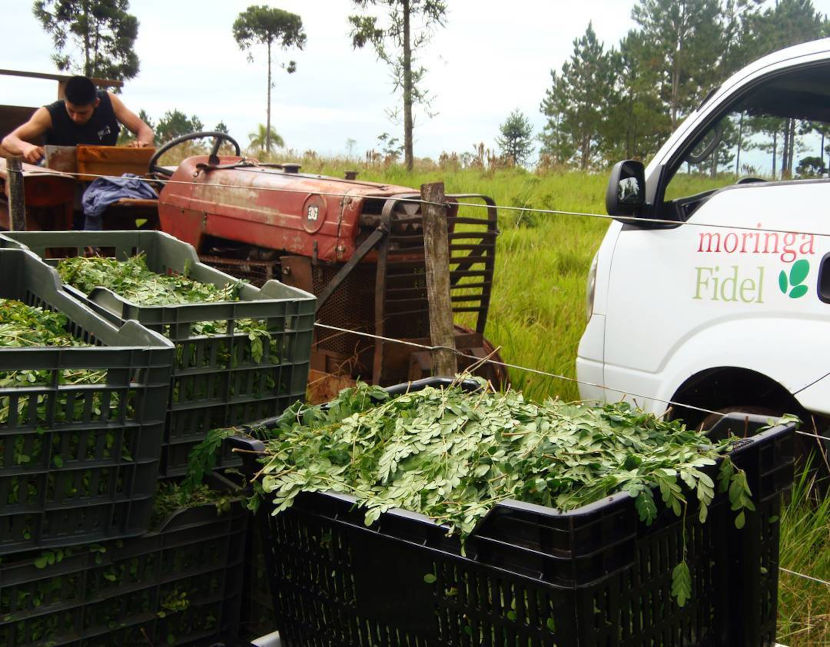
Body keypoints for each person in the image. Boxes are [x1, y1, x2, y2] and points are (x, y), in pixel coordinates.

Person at [1, 75, 153, 164]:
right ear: (65, 102)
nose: (75, 117)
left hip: (103, 173)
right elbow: (9, 140)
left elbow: (144, 130)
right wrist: (26, 148)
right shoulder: (49, 113)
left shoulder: (110, 102)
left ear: (96, 103)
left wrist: (142, 143)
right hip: (61, 178)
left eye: (82, 113)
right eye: (71, 111)